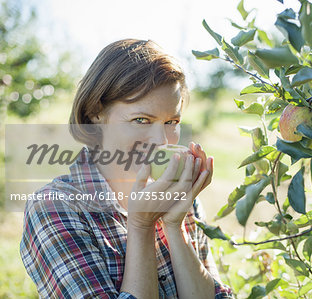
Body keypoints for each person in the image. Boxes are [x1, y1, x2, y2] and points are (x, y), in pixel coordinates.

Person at [20, 39, 234, 298]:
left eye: (172, 121)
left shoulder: (177, 195)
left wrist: (174, 228)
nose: (161, 141)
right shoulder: (55, 207)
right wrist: (141, 226)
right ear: (96, 113)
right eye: (141, 120)